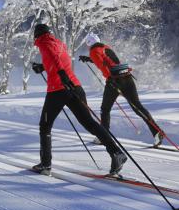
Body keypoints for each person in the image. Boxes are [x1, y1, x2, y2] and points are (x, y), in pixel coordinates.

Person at [31, 24, 127, 175]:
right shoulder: (59, 44)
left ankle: (45, 164)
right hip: (75, 87)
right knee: (90, 123)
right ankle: (116, 153)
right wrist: (43, 67)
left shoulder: (44, 42)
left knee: (45, 125)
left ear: (37, 35)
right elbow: (59, 59)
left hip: (58, 89)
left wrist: (61, 74)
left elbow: (54, 58)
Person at [79, 32, 164, 147]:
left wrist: (111, 80)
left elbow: (104, 66)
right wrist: (89, 59)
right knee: (137, 106)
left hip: (114, 81)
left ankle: (103, 136)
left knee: (105, 109)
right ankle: (157, 132)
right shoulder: (105, 47)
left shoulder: (93, 51)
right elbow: (109, 61)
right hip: (127, 77)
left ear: (89, 43)